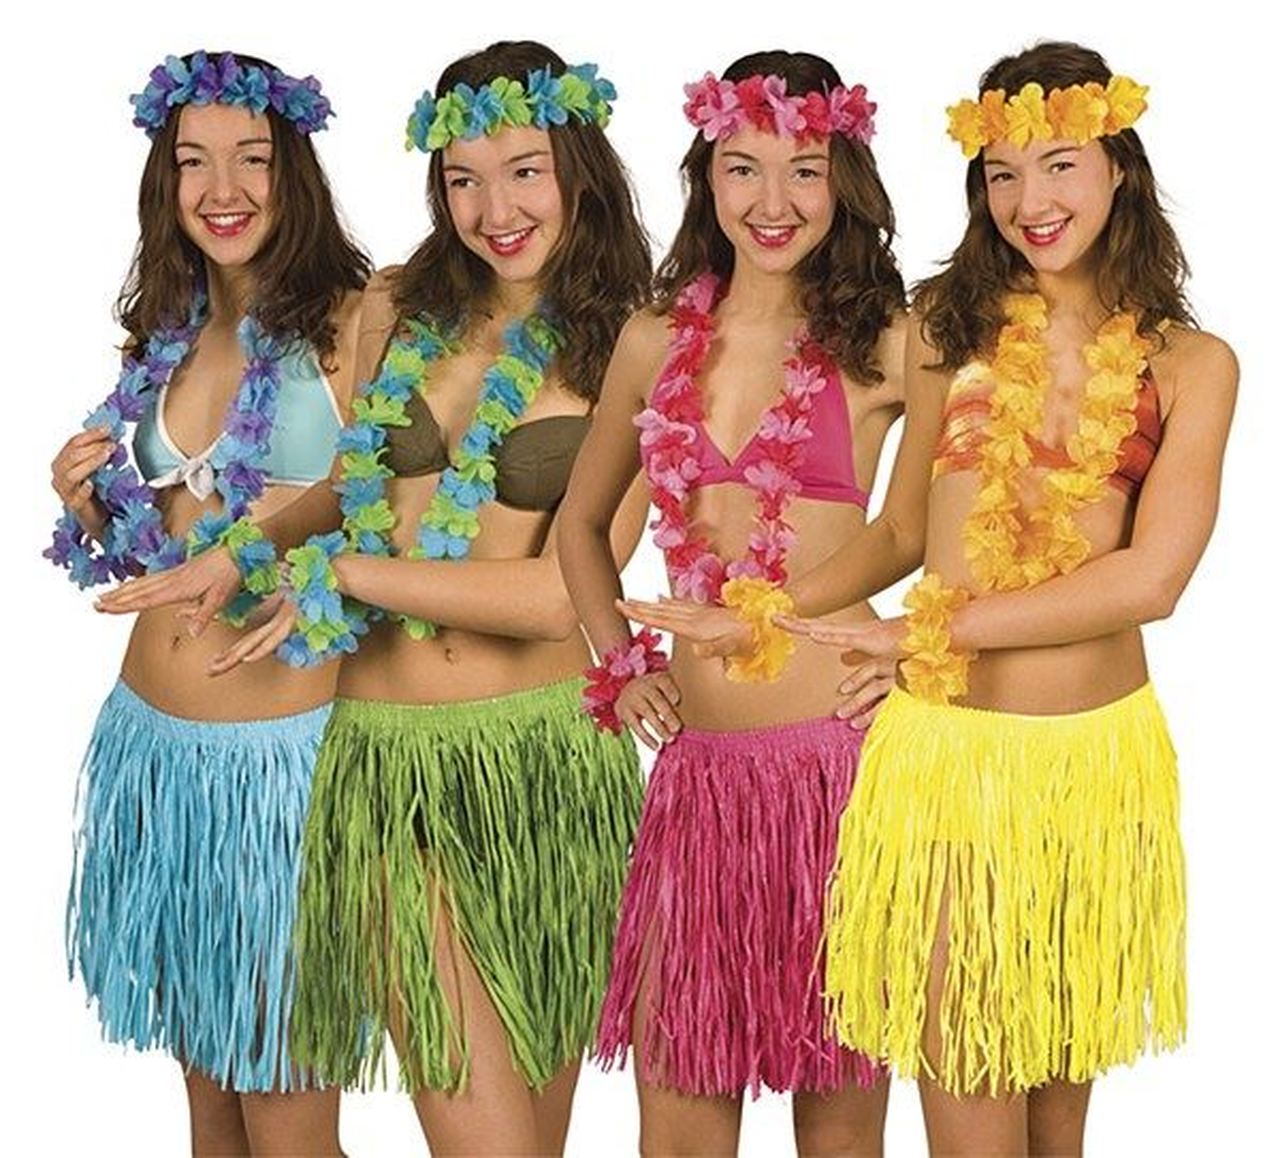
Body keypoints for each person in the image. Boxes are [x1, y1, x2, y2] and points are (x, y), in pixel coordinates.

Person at [100, 40, 652, 1156]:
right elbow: (336, 484)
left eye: (526, 172)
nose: (494, 210)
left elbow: (562, 596)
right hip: (383, 765)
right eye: (463, 179)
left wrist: (346, 573)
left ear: (580, 171)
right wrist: (237, 546)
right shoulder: (395, 307)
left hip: (552, 768)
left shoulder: (637, 347)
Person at [780, 40, 1238, 1157]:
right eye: (1001, 174)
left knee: (1055, 1123)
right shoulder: (949, 329)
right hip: (947, 761)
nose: (1029, 201)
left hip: (1094, 768)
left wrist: (929, 630)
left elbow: (1152, 579)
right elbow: (900, 531)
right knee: (969, 1095)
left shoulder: (1191, 364)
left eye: (1058, 164)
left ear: (1118, 166)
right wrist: (771, 610)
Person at [559, 51, 906, 1156]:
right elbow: (580, 528)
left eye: (803, 170)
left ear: (843, 181)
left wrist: (914, 644)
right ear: (704, 179)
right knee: (677, 1117)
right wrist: (621, 666)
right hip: (698, 779)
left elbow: (936, 527)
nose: (772, 202)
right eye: (741, 168)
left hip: (841, 773)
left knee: (839, 1125)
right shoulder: (653, 339)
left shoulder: (888, 343)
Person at [47, 50, 367, 1156]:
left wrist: (255, 543)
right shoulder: (171, 329)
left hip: (279, 770)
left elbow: (371, 491)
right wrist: (92, 504)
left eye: (251, 158)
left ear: (294, 172)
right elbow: (168, 540)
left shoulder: (355, 320)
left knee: (285, 1107)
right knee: (211, 1111)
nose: (221, 188)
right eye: (193, 161)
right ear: (165, 179)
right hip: (156, 754)